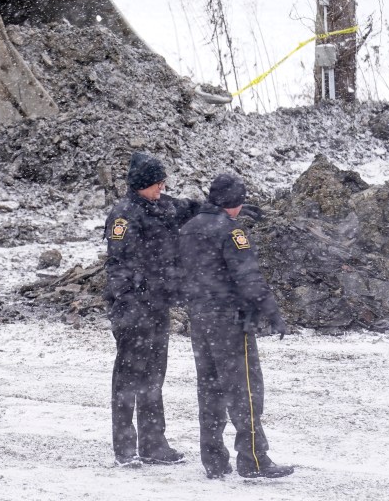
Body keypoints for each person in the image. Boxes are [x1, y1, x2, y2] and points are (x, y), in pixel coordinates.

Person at [178, 173, 294, 479]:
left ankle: (213, 460)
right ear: (233, 202)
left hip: (200, 319)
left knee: (210, 388)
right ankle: (253, 458)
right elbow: (248, 278)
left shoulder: (188, 229)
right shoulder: (231, 232)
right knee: (245, 390)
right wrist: (271, 312)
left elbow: (179, 271)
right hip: (230, 320)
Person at [103, 151, 200, 467]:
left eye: (163, 181)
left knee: (153, 378)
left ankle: (154, 445)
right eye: (157, 182)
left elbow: (191, 208)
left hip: (157, 307)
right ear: (143, 184)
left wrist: (220, 208)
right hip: (133, 311)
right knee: (128, 381)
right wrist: (129, 305)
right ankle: (125, 448)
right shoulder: (124, 216)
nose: (163, 186)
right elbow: (118, 269)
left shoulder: (164, 205)